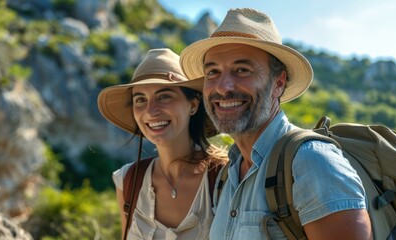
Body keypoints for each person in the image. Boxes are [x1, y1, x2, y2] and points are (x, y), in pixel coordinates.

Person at [179, 8, 372, 240]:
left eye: (242, 70)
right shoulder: (227, 176)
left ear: (278, 83)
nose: (223, 86)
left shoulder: (312, 162)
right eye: (212, 72)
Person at [97, 48, 227, 240]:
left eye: (164, 96)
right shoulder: (128, 181)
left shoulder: (225, 177)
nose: (150, 111)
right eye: (140, 99)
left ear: (193, 105)